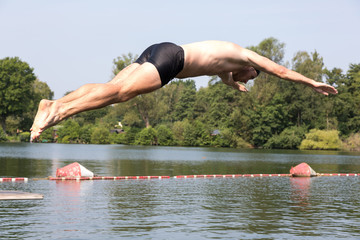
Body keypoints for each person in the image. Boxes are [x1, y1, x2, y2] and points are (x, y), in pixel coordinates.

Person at [30, 40, 338, 142]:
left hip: (160, 49)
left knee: (112, 87)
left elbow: (226, 78)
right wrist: (313, 83)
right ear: (250, 67)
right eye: (252, 76)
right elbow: (282, 71)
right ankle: (60, 112)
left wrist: (236, 84)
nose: (250, 77)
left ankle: (53, 104)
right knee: (121, 94)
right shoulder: (246, 56)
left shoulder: (227, 64)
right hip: (172, 61)